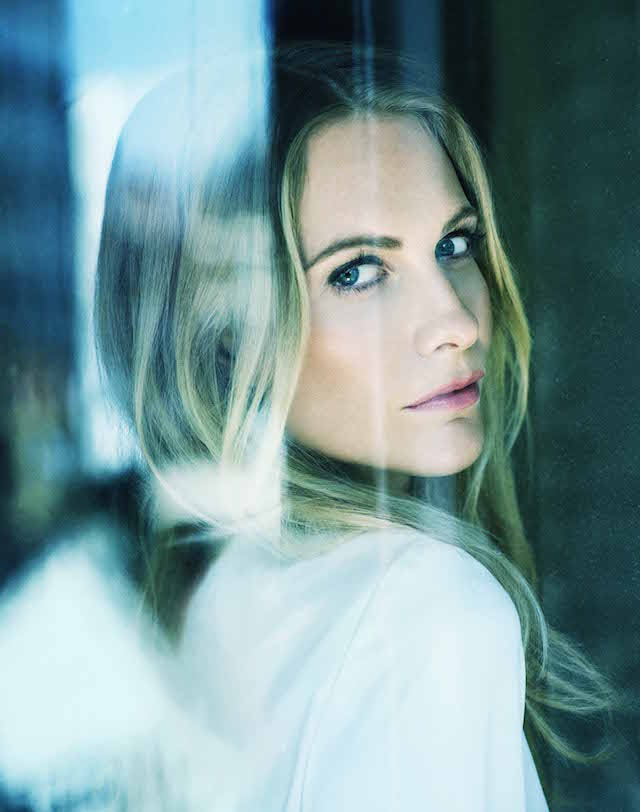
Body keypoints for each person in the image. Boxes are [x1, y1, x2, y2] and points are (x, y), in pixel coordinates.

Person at [93, 42, 618, 810]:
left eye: (455, 245)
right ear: (220, 332)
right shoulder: (424, 610)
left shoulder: (191, 603)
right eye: (358, 272)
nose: (457, 322)